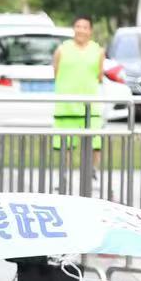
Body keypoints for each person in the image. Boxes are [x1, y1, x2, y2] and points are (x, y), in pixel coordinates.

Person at [52, 15, 105, 181]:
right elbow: (56, 72)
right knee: (65, 144)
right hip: (66, 106)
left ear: (90, 30)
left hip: (90, 106)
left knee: (95, 142)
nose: (81, 30)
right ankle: (64, 174)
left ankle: (92, 171)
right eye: (78, 26)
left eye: (85, 27)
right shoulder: (62, 50)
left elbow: (100, 76)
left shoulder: (98, 51)